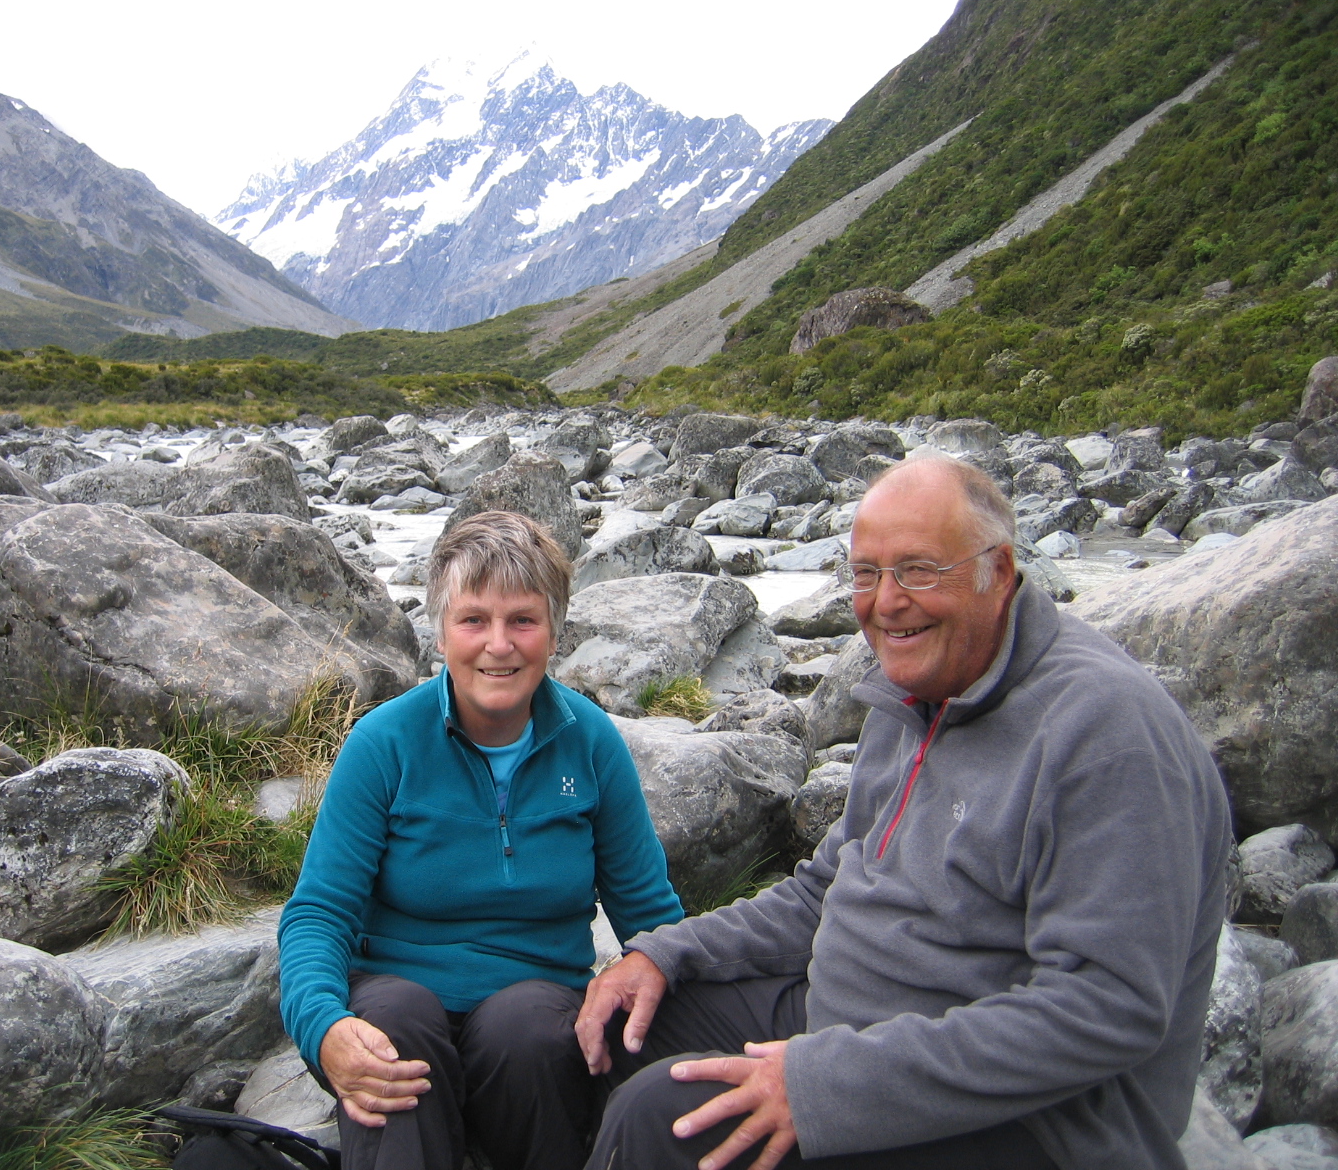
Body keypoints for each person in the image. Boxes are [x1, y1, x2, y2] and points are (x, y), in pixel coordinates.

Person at [575, 455, 1232, 1170]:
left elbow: (1106, 1010)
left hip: (1037, 1125)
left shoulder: (1107, 734)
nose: (886, 602)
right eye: (865, 573)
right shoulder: (919, 691)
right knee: (614, 1026)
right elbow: (822, 892)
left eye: (919, 570)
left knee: (664, 1119)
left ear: (1000, 571)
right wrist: (664, 952)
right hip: (849, 1023)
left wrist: (823, 1087)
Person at [278, 509, 684, 1170]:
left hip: (536, 1011)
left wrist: (686, 994)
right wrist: (322, 1028)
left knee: (524, 1030)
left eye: (522, 620)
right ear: (441, 633)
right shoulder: (383, 744)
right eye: (474, 620)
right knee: (394, 1029)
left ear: (554, 632)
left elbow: (651, 918)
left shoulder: (592, 741)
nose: (500, 644)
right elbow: (318, 916)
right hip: (397, 992)